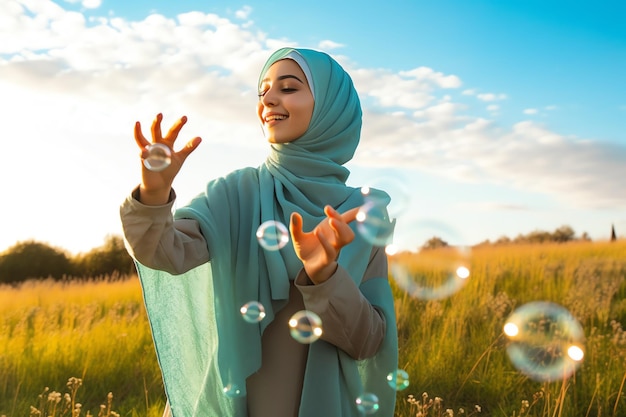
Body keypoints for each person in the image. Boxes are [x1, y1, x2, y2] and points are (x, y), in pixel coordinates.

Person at [120, 47, 398, 417]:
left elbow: (367, 342)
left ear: (332, 108)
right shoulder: (236, 194)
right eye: (263, 90)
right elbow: (161, 251)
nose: (268, 98)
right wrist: (153, 195)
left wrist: (325, 276)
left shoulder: (359, 216)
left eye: (288, 87)